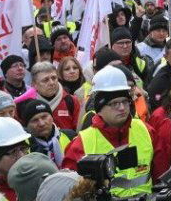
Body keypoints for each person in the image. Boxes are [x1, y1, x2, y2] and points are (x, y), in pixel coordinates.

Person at [60, 66, 155, 197]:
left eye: (125, 102)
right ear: (99, 107)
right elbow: (70, 191)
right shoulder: (81, 143)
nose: (122, 108)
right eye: (114, 103)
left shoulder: (144, 129)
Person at [14, 62, 81, 131]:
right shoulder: (23, 105)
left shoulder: (71, 101)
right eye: (45, 80)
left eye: (54, 78)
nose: (51, 83)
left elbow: (78, 129)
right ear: (34, 84)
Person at [17, 99, 75, 167]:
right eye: (35, 120)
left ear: (52, 117)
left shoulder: (70, 136)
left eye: (44, 117)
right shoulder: (23, 146)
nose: (41, 123)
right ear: (27, 125)